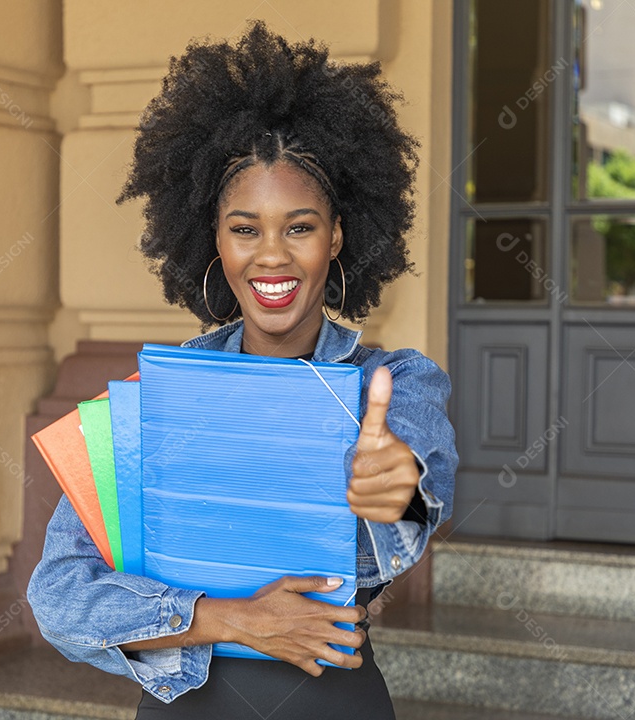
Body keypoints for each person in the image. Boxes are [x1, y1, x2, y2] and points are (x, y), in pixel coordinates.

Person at [27, 21, 458, 719]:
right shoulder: (153, 401)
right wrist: (229, 619)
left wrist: (396, 492)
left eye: (300, 226)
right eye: (244, 228)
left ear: (337, 234)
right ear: (214, 238)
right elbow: (59, 596)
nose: (272, 256)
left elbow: (408, 525)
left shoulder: (395, 384)